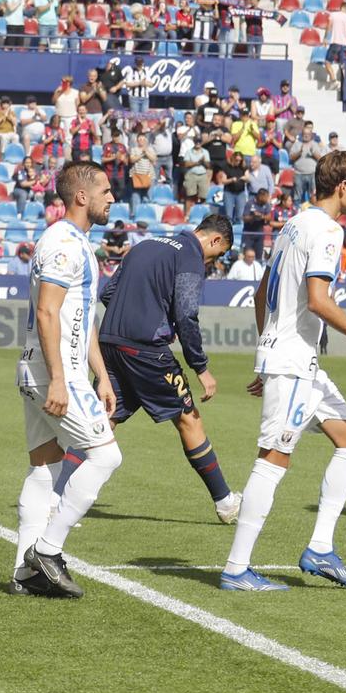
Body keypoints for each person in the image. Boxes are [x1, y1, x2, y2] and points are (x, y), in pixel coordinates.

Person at [222, 151, 346, 592]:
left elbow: (263, 293)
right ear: (342, 186)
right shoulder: (326, 229)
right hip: (295, 362)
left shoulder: (294, 223)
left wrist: (266, 348)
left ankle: (320, 547)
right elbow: (319, 301)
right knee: (274, 459)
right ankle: (235, 568)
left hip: (297, 361)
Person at [68, 214, 242, 524]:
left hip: (110, 341)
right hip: (146, 351)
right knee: (189, 419)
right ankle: (225, 502)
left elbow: (108, 293)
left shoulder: (145, 245)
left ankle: (56, 497)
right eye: (218, 253)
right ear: (215, 240)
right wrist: (200, 367)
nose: (214, 261)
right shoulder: (189, 255)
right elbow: (186, 313)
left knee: (102, 421)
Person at [10, 161, 120, 600]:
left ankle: (23, 573)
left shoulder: (77, 243)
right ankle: (47, 551)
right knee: (106, 457)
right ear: (81, 196)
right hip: (54, 372)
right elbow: (47, 311)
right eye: (106, 191)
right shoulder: (62, 243)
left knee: (44, 466)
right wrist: (59, 378)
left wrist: (102, 373)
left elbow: (81, 317)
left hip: (54, 369)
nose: (112, 198)